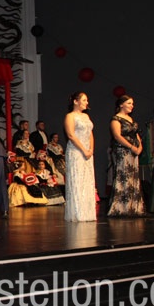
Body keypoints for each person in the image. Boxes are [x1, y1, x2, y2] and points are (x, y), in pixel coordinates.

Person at [107, 95, 145, 217]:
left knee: (133, 177)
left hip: (134, 152)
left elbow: (136, 134)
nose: (131, 106)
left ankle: (133, 207)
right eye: (129, 103)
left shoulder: (131, 119)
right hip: (122, 151)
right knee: (123, 176)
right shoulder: (116, 119)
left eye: (132, 103)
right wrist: (131, 147)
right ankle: (121, 207)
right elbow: (117, 136)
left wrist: (139, 147)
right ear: (121, 104)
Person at [63, 92, 96, 222]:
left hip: (87, 152)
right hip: (76, 151)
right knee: (77, 180)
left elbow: (90, 134)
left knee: (87, 181)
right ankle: (78, 213)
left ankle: (88, 213)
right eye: (84, 100)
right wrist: (83, 150)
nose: (87, 102)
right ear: (75, 101)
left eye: (87, 100)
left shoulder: (86, 116)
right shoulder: (70, 116)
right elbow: (71, 135)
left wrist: (91, 149)